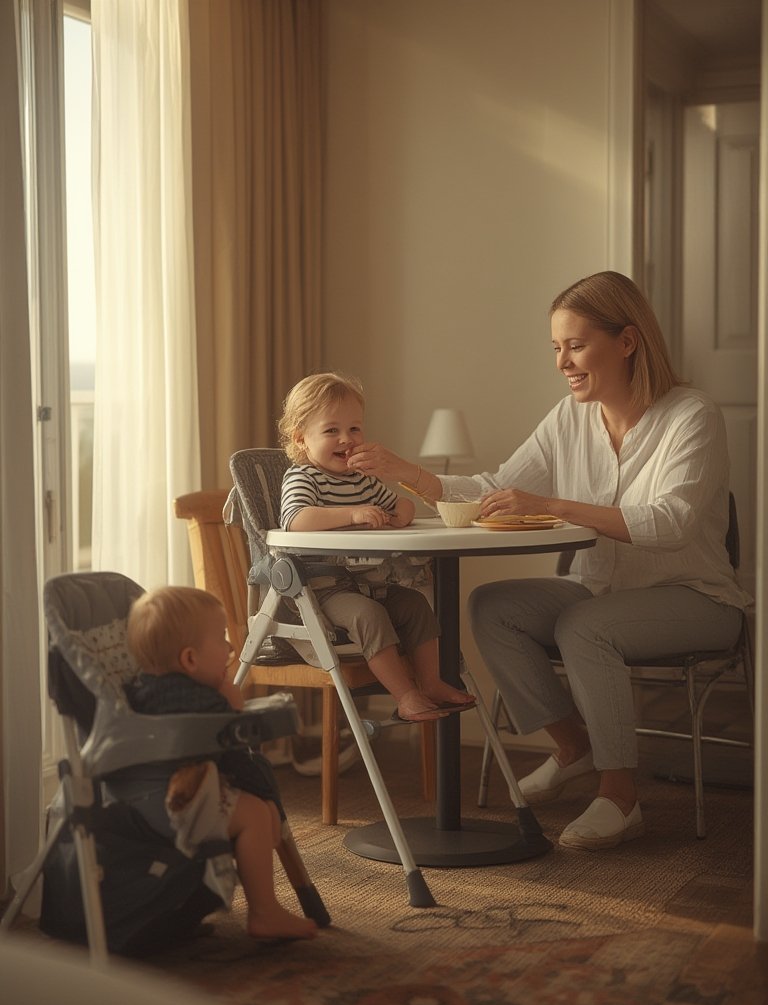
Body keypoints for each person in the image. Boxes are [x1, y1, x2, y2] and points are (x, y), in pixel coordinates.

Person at [345, 270, 751, 851]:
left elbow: (671, 521)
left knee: (585, 626)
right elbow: (494, 487)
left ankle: (620, 796)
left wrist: (551, 503)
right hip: (602, 591)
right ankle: (575, 747)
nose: (562, 361)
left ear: (628, 341)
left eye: (576, 345)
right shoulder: (569, 417)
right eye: (556, 348)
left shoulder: (692, 416)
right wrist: (404, 473)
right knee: (493, 605)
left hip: (698, 599)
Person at [277, 371, 476, 723]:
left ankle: (430, 682)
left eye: (354, 428)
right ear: (301, 439)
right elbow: (296, 520)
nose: (346, 439)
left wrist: (399, 513)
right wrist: (352, 515)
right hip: (323, 589)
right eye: (331, 430)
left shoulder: (363, 479)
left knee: (415, 605)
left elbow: (403, 505)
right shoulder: (302, 476)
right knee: (369, 616)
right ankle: (405, 696)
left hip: (370, 582)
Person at [125, 585, 318, 940]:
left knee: (257, 809)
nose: (230, 649)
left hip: (149, 797)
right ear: (190, 660)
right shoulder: (199, 700)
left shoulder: (145, 690)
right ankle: (264, 912)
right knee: (256, 817)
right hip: (177, 801)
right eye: (222, 639)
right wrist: (230, 698)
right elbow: (230, 733)